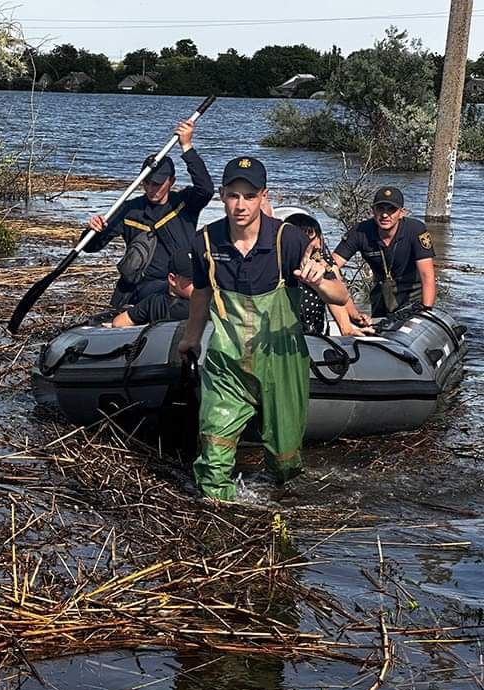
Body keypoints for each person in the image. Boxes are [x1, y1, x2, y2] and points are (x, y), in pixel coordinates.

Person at [177, 157, 349, 503]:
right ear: (222, 196)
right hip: (227, 359)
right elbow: (201, 294)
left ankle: (277, 501)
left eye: (250, 196)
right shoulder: (205, 243)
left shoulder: (289, 240)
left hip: (281, 361)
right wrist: (192, 337)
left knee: (285, 459)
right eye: (233, 196)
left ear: (263, 196)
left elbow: (340, 295)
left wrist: (319, 281)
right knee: (213, 453)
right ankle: (218, 519)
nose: (241, 205)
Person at [84, 119, 214, 308]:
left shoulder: (185, 204)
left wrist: (186, 146)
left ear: (171, 181)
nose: (152, 189)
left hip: (178, 285)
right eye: (147, 183)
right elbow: (91, 247)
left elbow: (206, 188)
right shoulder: (129, 210)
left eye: (158, 184)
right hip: (140, 287)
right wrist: (94, 229)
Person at [332, 186, 437, 318]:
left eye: (391, 209)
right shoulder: (360, 232)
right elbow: (332, 265)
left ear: (402, 213)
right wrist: (347, 303)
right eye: (380, 208)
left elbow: (427, 276)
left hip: (413, 291)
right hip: (381, 291)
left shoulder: (416, 230)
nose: (385, 215)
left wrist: (426, 311)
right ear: (373, 211)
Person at [281, 213, 373, 337]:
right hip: (281, 334)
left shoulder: (323, 261)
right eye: (304, 239)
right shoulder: (277, 260)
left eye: (315, 237)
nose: (315, 244)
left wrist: (351, 321)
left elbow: (336, 295)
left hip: (314, 334)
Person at [110, 249, 193, 327]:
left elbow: (118, 323)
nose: (201, 283)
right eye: (193, 280)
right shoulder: (156, 302)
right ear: (172, 279)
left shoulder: (154, 301)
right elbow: (119, 323)